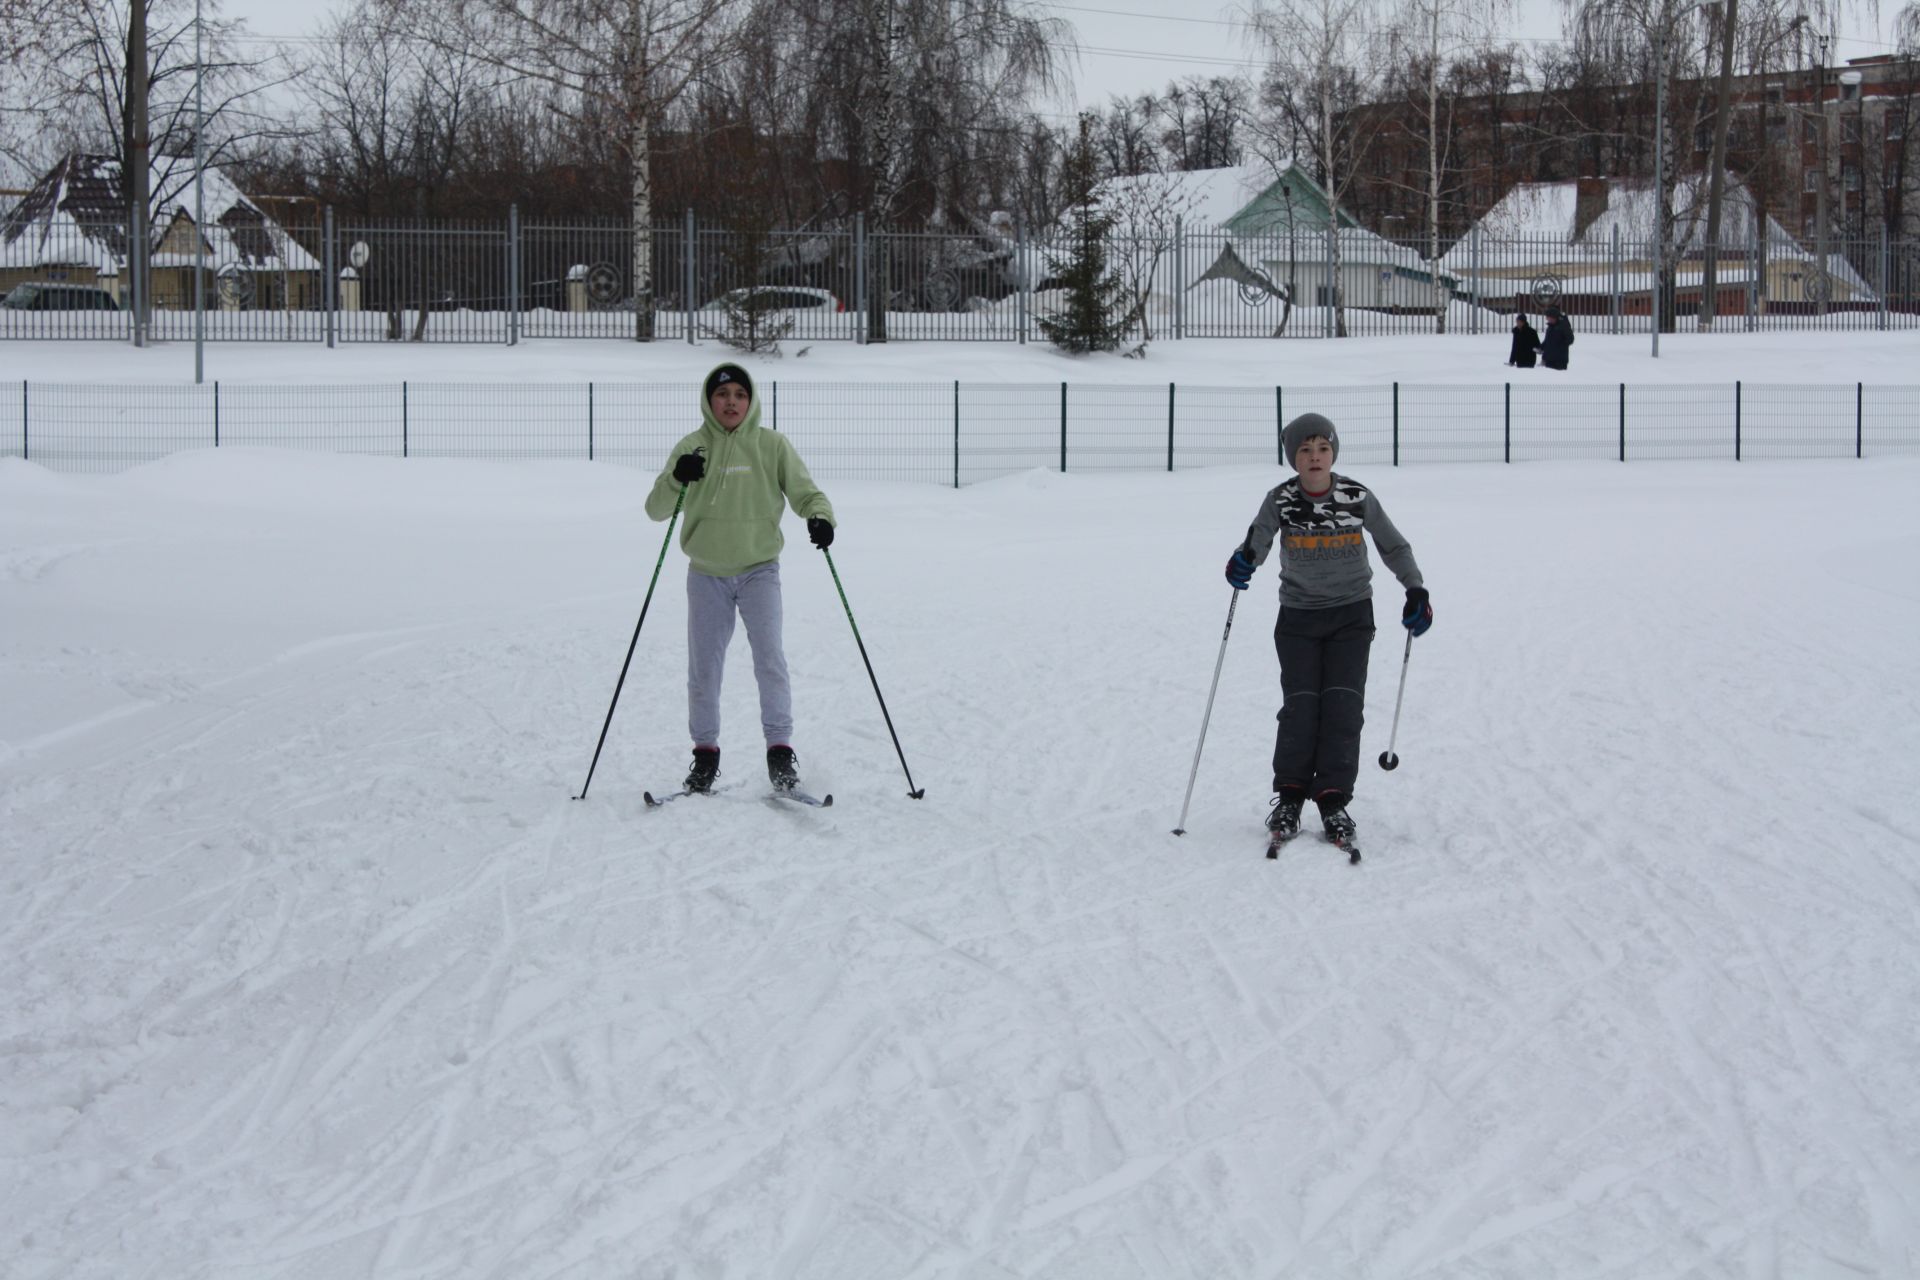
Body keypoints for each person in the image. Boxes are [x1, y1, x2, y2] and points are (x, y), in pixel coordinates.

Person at [1224, 412, 1431, 853]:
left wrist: (1415, 589)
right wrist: (1243, 561)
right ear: (1293, 458)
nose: (1314, 456)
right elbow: (1256, 542)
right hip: (1298, 616)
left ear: (1333, 452)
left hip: (1351, 615)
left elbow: (1393, 545)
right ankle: (1291, 796)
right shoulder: (1280, 500)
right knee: (1300, 707)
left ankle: (1333, 797)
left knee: (1343, 705)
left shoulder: (1357, 496)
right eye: (1304, 449)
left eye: (1322, 448)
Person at [646, 362, 836, 796]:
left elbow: (808, 494)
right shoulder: (693, 448)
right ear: (709, 401)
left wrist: (821, 518)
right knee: (704, 668)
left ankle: (780, 755)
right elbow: (655, 509)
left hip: (759, 570)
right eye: (722, 394)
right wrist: (679, 477)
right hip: (707, 573)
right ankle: (705, 757)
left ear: (750, 401)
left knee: (770, 659)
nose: (731, 402)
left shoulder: (772, 446)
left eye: (739, 394)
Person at [1540, 306, 1573, 371]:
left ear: (1553, 317)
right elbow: (1547, 341)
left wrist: (1560, 344)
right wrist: (1541, 347)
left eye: (1548, 317)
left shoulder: (1563, 326)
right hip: (1549, 359)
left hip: (1559, 360)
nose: (1547, 319)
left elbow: (1570, 339)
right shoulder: (1550, 327)